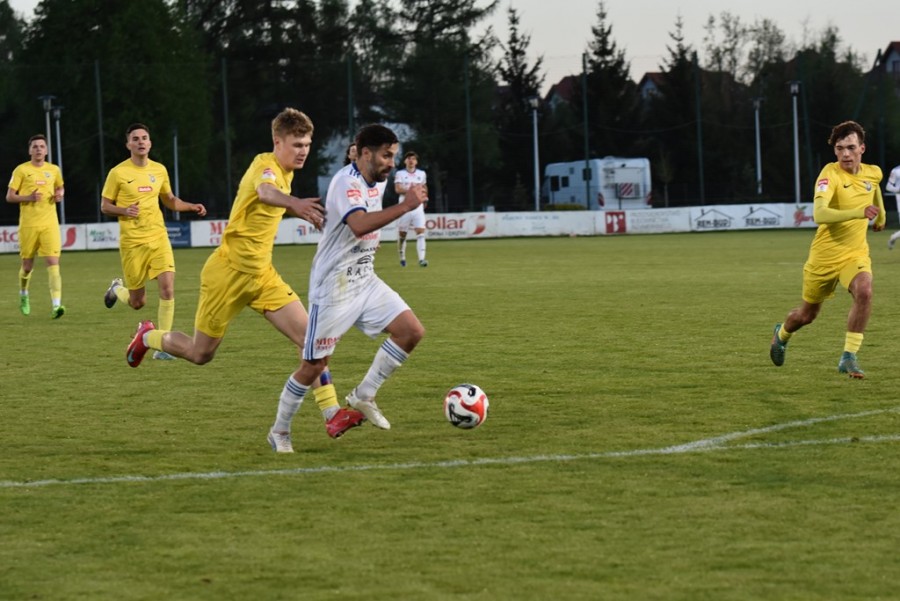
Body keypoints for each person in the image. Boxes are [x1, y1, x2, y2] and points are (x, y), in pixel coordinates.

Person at [124, 108, 364, 452]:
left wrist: (300, 208)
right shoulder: (265, 165)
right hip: (227, 274)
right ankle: (148, 336)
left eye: (307, 145)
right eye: (296, 144)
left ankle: (331, 412)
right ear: (277, 142)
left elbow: (272, 199)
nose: (303, 151)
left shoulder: (286, 173)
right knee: (200, 353)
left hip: (262, 275)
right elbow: (265, 192)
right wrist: (295, 203)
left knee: (312, 341)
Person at [276, 123, 426, 436]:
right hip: (334, 286)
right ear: (366, 154)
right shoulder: (347, 182)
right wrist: (405, 206)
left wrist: (372, 239)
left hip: (364, 278)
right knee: (314, 366)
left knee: (410, 331)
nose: (391, 163)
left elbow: (363, 224)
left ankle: (364, 395)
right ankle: (280, 431)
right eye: (386, 156)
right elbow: (358, 223)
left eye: (394, 156)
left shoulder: (376, 178)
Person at [770, 120, 885, 379]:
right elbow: (820, 214)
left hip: (854, 254)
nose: (845, 154)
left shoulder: (873, 172)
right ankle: (782, 334)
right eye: (840, 148)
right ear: (835, 151)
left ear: (862, 148)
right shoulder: (829, 175)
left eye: (851, 147)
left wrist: (881, 214)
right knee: (806, 316)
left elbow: (875, 187)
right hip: (824, 258)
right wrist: (860, 212)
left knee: (865, 291)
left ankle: (849, 356)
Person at [100, 123, 207, 360]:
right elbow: (105, 206)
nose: (140, 142)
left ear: (150, 143)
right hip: (133, 243)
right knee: (137, 302)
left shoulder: (159, 170)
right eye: (135, 138)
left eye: (144, 138)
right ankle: (116, 289)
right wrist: (124, 210)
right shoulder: (118, 173)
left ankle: (163, 347)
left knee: (167, 288)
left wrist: (191, 206)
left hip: (158, 237)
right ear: (128, 144)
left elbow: (170, 200)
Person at [7, 135, 66, 318]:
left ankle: (56, 306)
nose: (38, 149)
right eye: (35, 146)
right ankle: (24, 294)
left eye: (41, 146)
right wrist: (28, 197)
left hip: (49, 223)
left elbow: (60, 187)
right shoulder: (22, 170)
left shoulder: (54, 170)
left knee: (53, 263)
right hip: (29, 225)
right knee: (27, 266)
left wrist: (59, 194)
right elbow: (10, 196)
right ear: (29, 150)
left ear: (46, 150)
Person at [394, 150, 429, 267]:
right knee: (402, 235)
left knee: (421, 232)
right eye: (409, 158)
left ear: (416, 162)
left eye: (413, 159)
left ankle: (422, 259)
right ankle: (402, 256)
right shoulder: (400, 174)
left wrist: (425, 197)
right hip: (405, 207)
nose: (411, 160)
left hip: (418, 207)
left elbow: (424, 187)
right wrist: (412, 191)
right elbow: (398, 189)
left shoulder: (421, 174)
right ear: (405, 161)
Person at [884, 164, 900, 249]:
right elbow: (888, 186)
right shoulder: (896, 171)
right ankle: (893, 237)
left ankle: (893, 237)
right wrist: (898, 189)